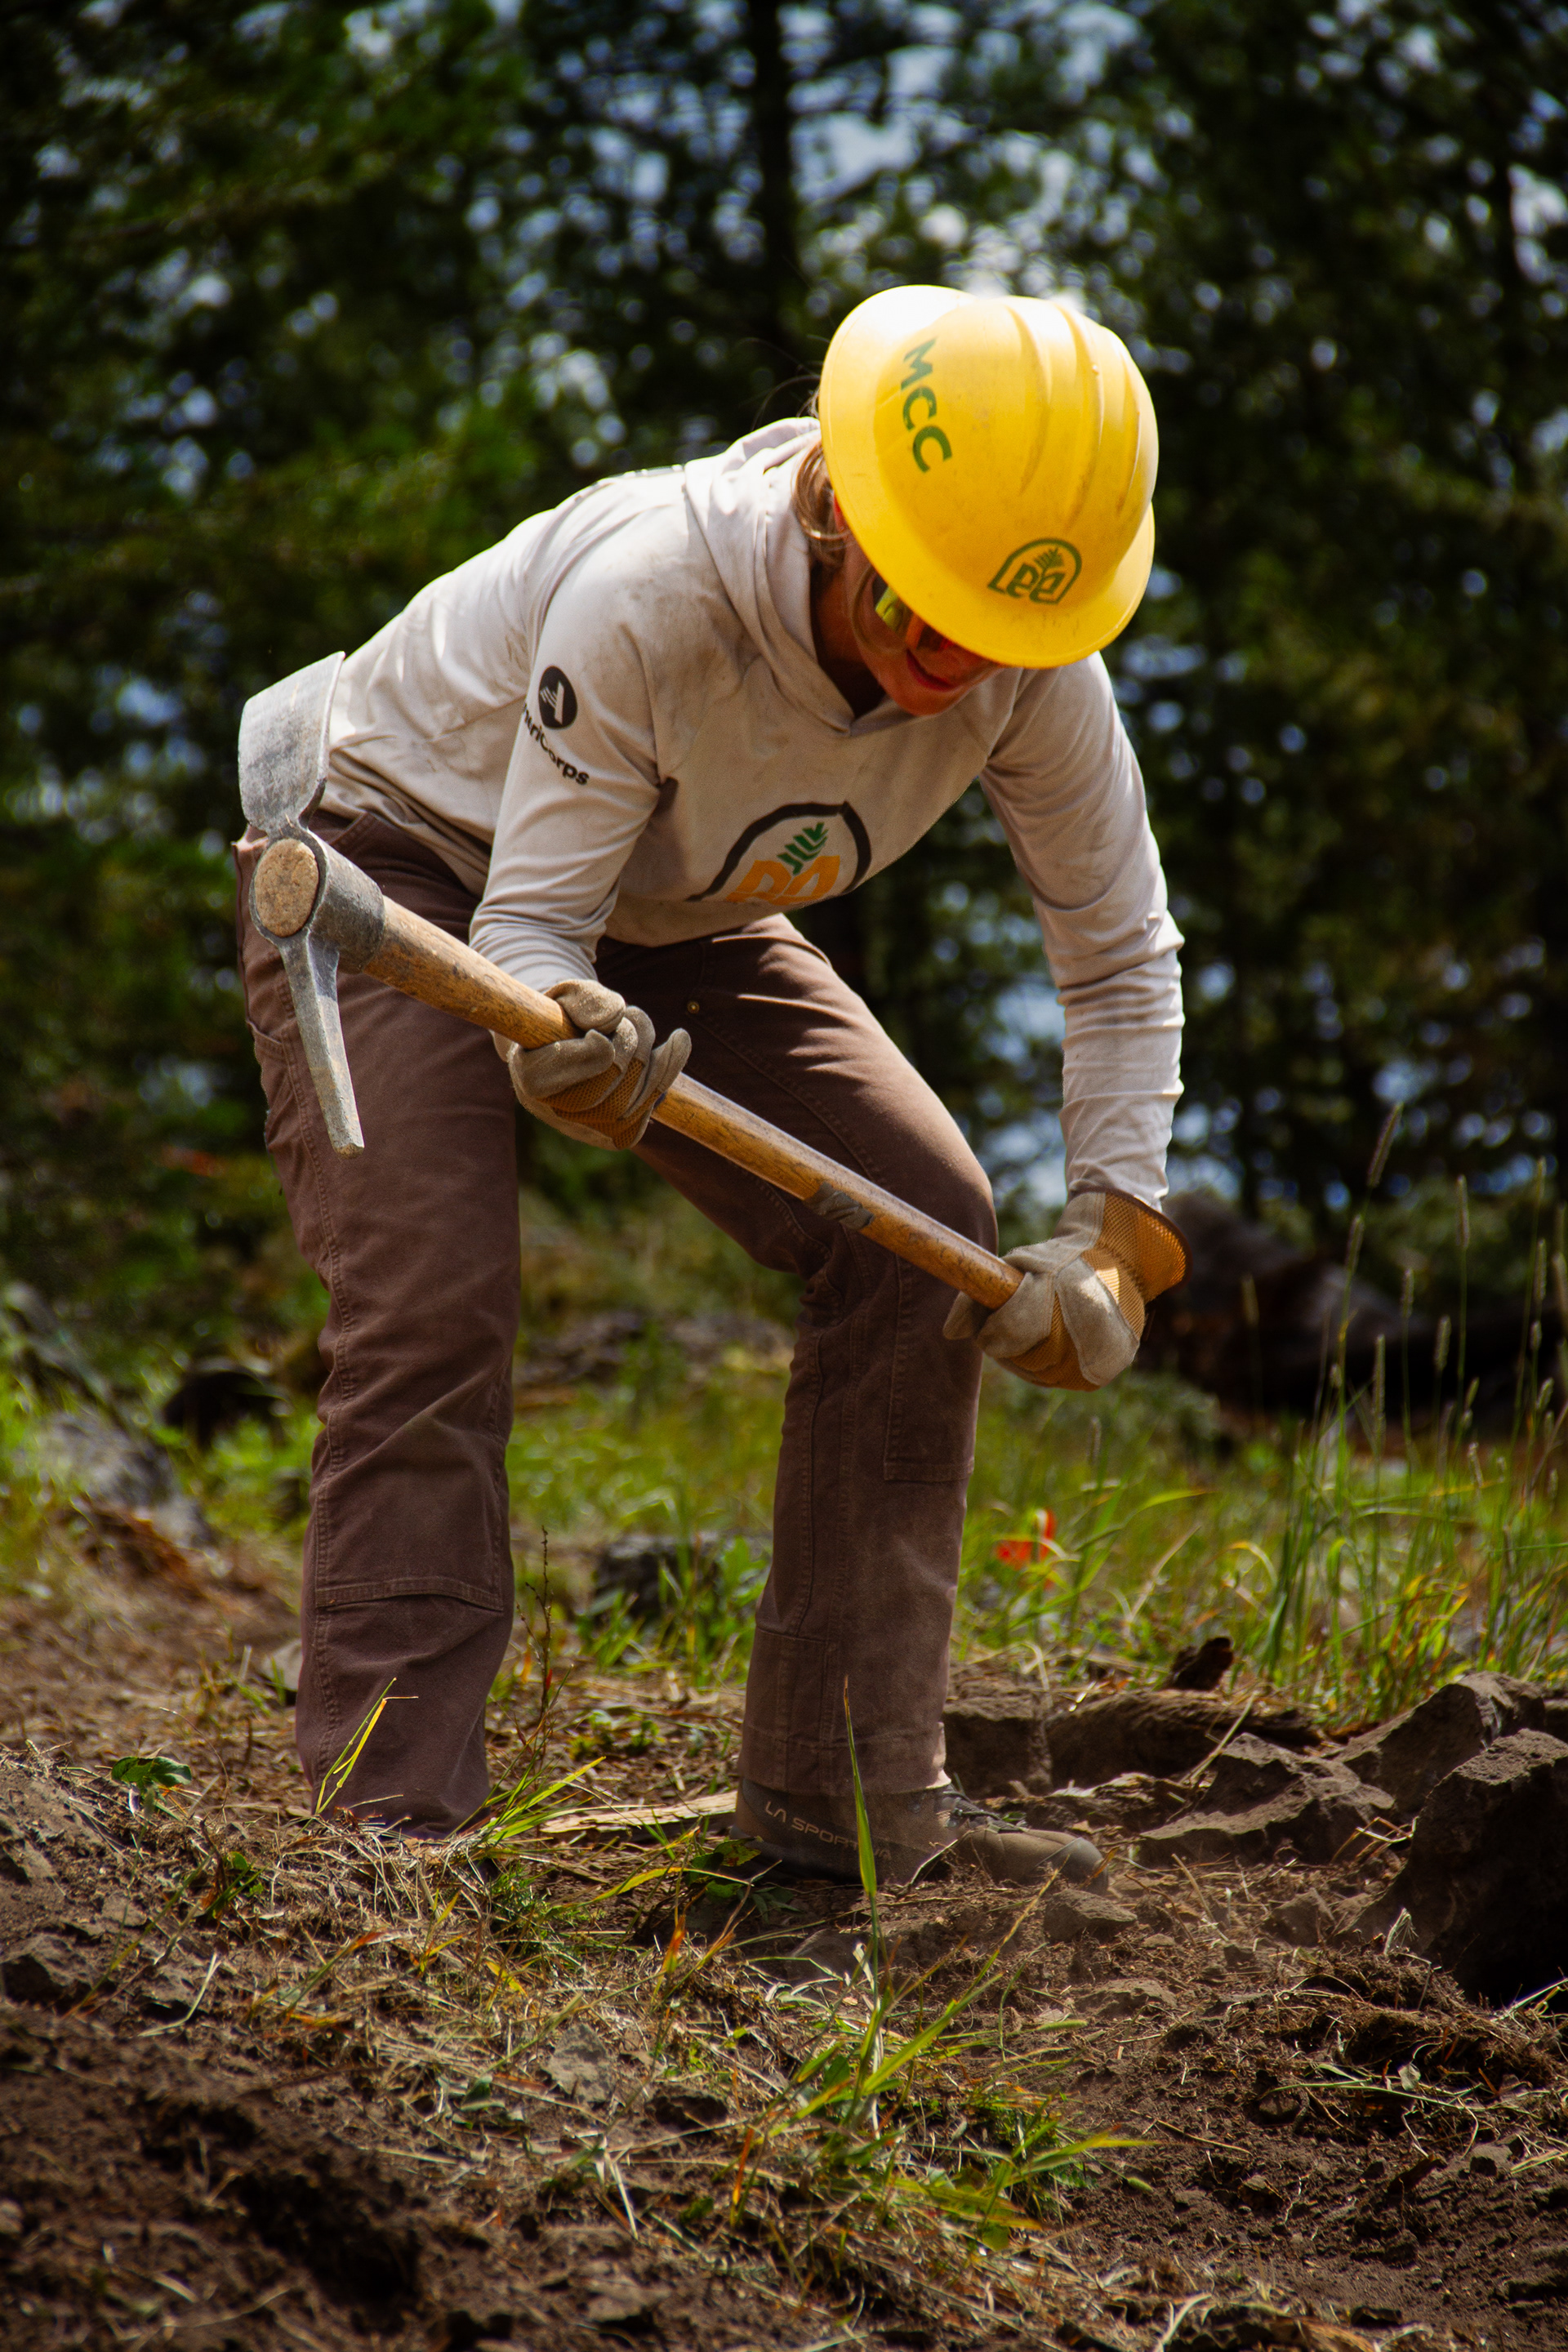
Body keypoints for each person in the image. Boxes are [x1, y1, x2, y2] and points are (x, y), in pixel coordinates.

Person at [236, 283, 1187, 1883]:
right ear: (843, 515)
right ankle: (383, 1838)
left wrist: (1115, 1238)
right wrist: (564, 1056)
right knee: (434, 1301)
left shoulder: (1029, 644)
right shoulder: (660, 595)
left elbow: (1118, 951)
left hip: (667, 904)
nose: (963, 668)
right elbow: (531, 930)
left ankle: (848, 1814)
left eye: (1004, 635)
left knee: (920, 1235)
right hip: (388, 857)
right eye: (929, 618)